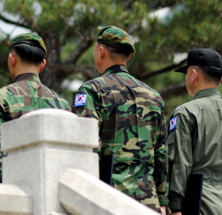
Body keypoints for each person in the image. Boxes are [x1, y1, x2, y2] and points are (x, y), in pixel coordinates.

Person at [72, 26, 168, 212]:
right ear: (128, 56)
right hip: (149, 202)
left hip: (109, 199)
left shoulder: (92, 91)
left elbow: (83, 147)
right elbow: (161, 154)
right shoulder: (154, 96)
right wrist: (163, 203)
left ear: (101, 51)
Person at [0, 33, 71, 183]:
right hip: (52, 187)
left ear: (12, 59)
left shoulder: (0, 98)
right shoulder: (62, 104)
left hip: (14, 189)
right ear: (43, 65)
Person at [168, 48, 222, 215]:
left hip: (199, 203)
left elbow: (180, 162)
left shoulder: (186, 112)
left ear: (193, 74)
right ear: (220, 79)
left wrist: (175, 206)